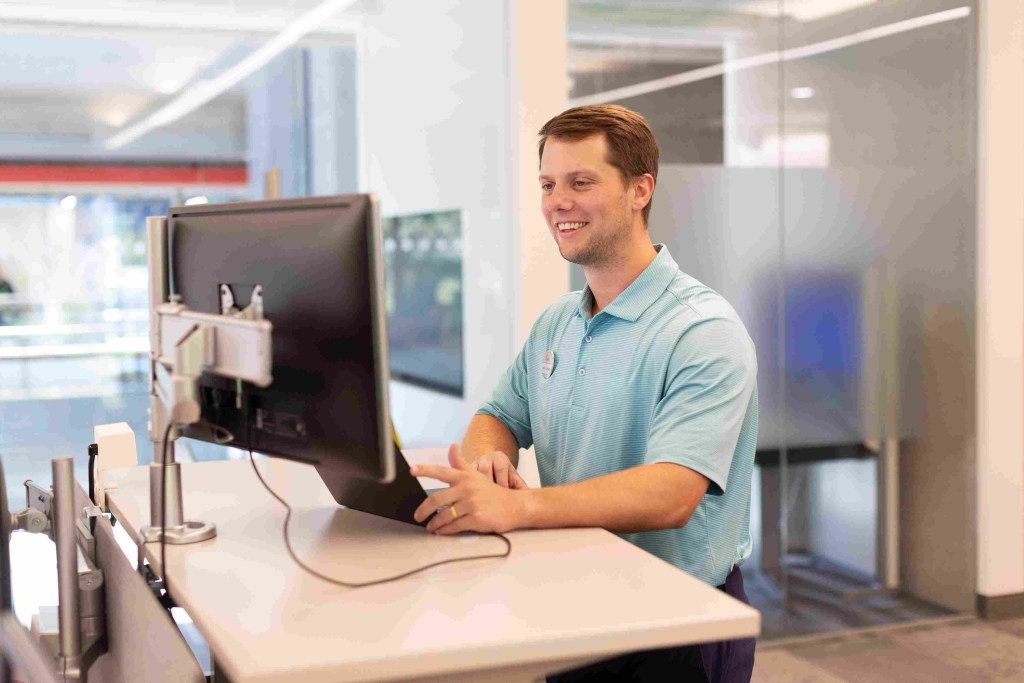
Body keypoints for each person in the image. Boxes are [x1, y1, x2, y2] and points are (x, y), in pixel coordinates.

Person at [411, 104, 758, 683]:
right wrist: (488, 462)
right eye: (548, 184)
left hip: (675, 625)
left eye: (581, 182)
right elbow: (497, 413)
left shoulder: (702, 331)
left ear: (639, 190)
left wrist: (520, 507)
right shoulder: (557, 323)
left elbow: (672, 494)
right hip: (573, 600)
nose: (557, 202)